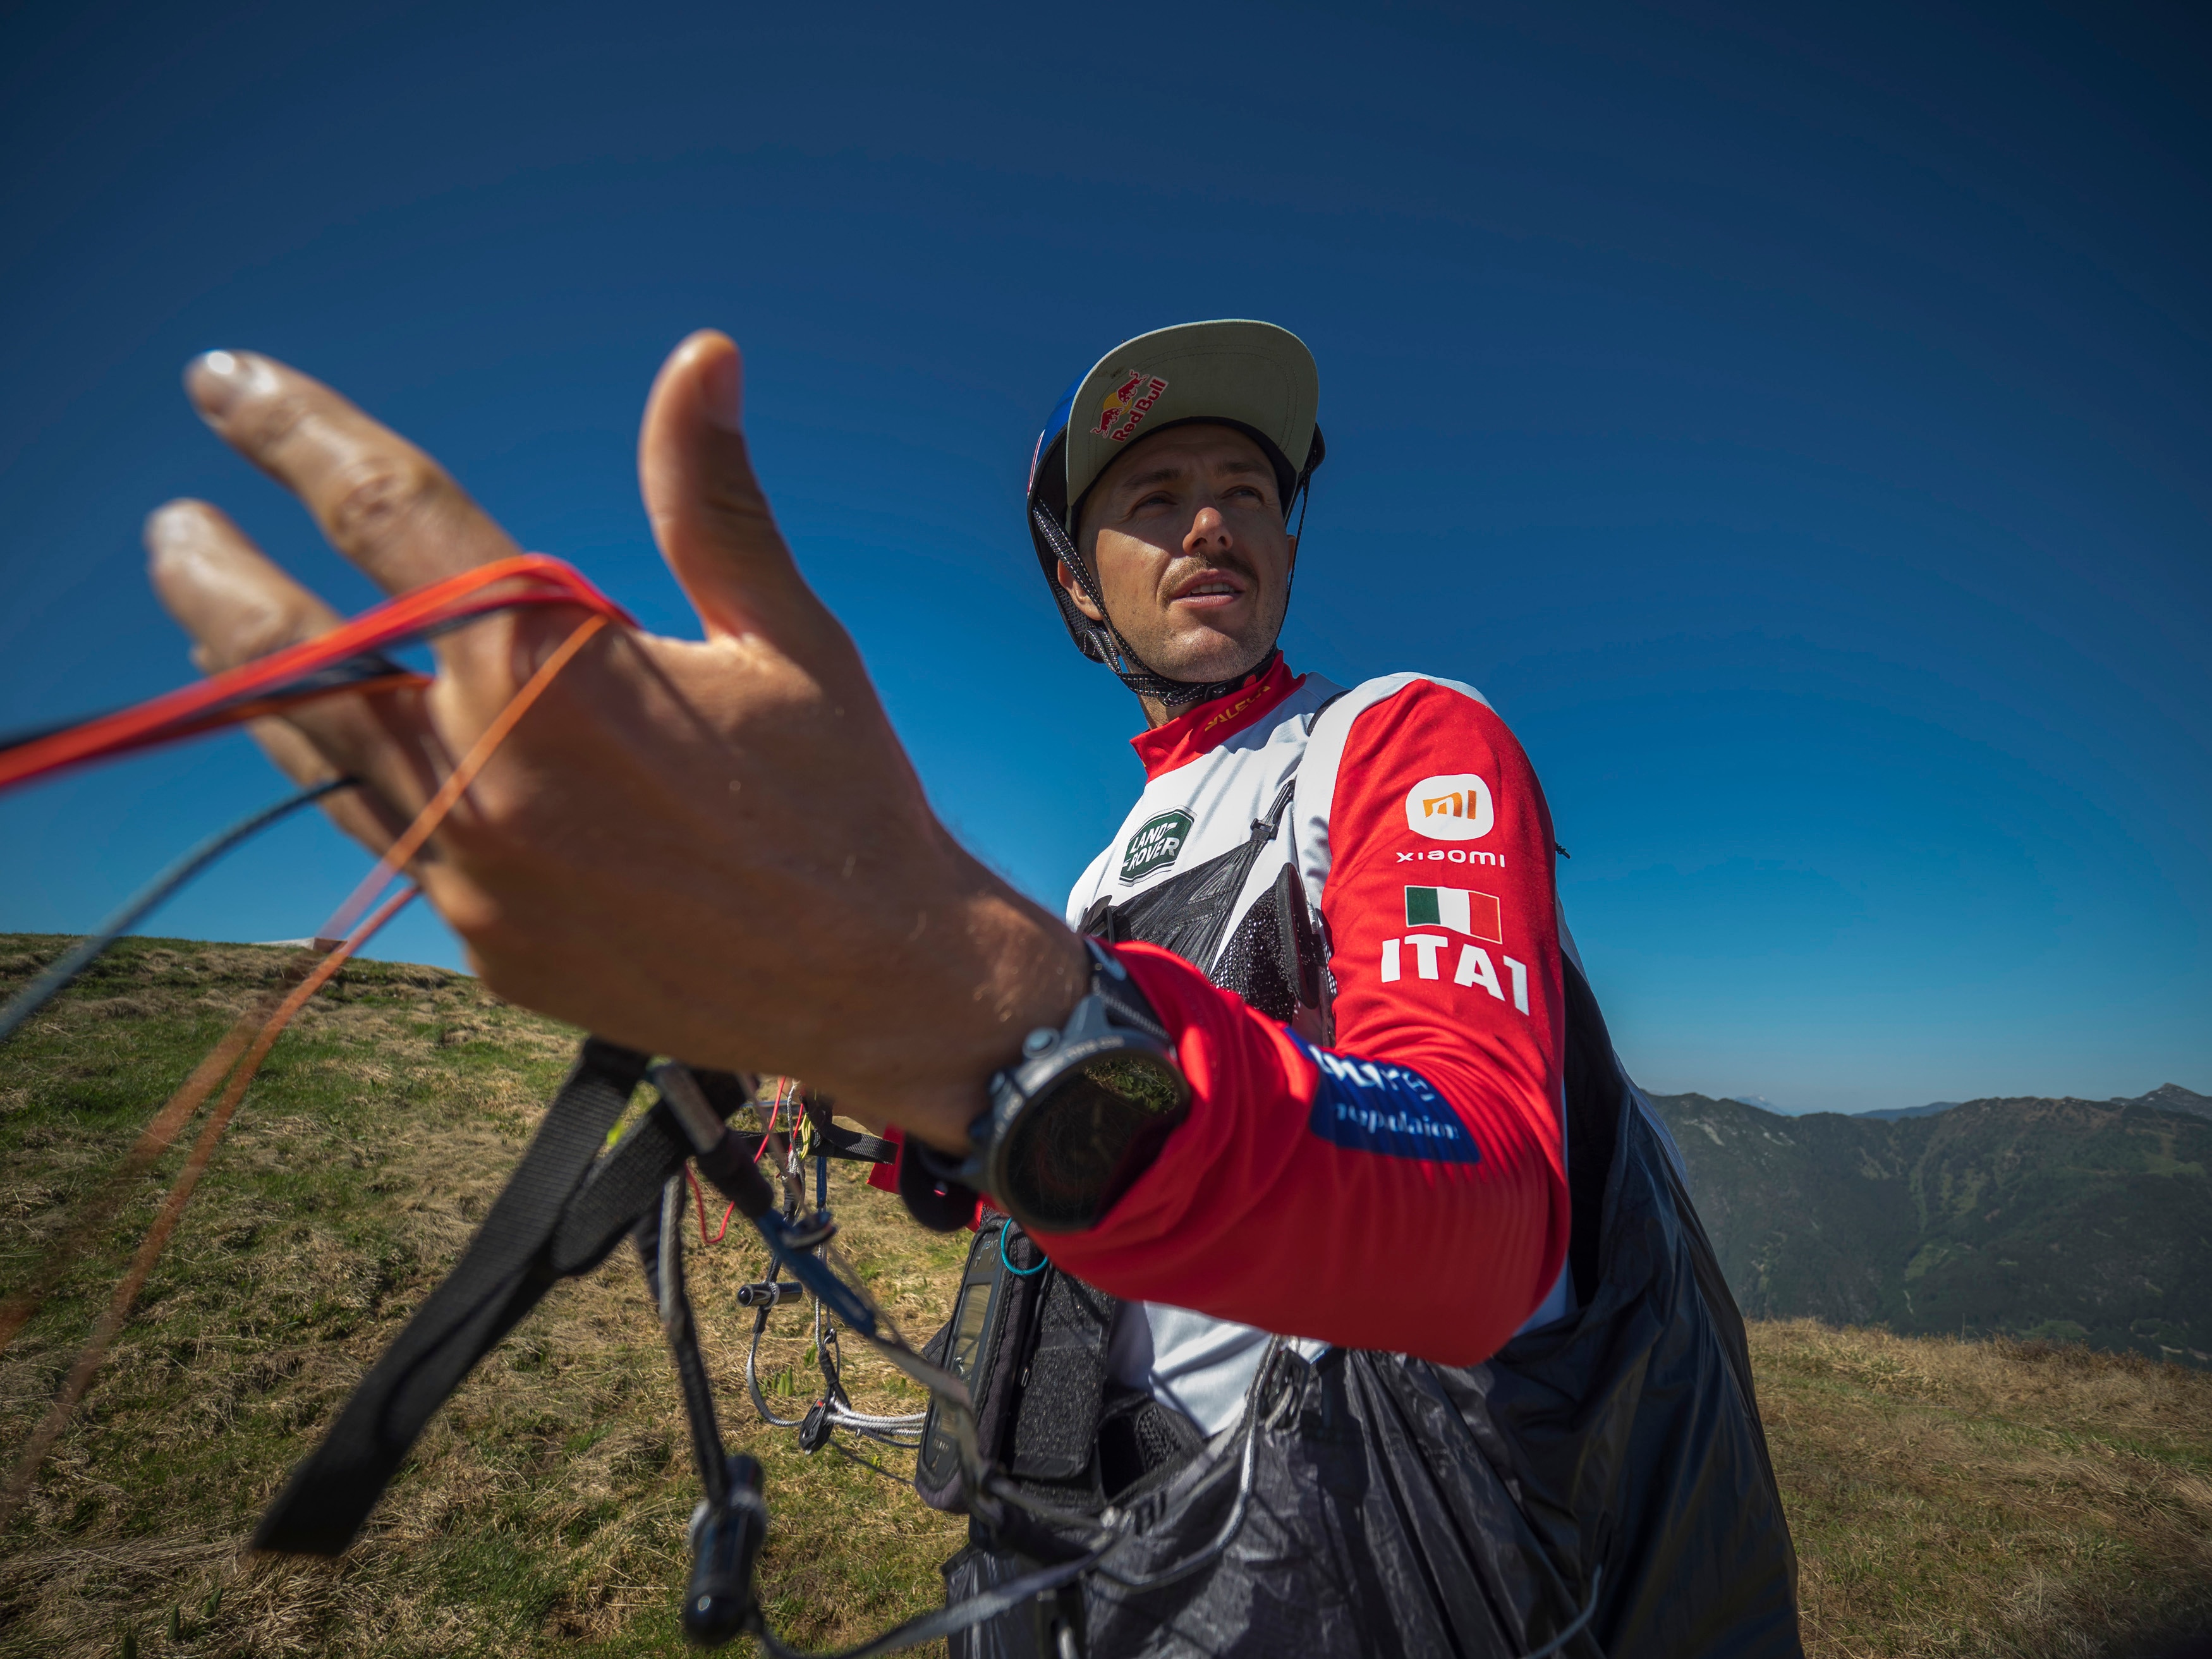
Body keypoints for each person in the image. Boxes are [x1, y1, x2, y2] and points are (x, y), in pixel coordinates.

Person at [148, 322, 1802, 1656]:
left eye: (1243, 487)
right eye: (1151, 499)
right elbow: (1051, 1199)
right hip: (1099, 1538)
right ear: (1080, 583)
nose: (1210, 517)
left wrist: (989, 1016)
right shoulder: (1103, 869)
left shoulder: (1397, 737)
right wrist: (913, 1117)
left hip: (1370, 1557)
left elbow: (1487, 1189)